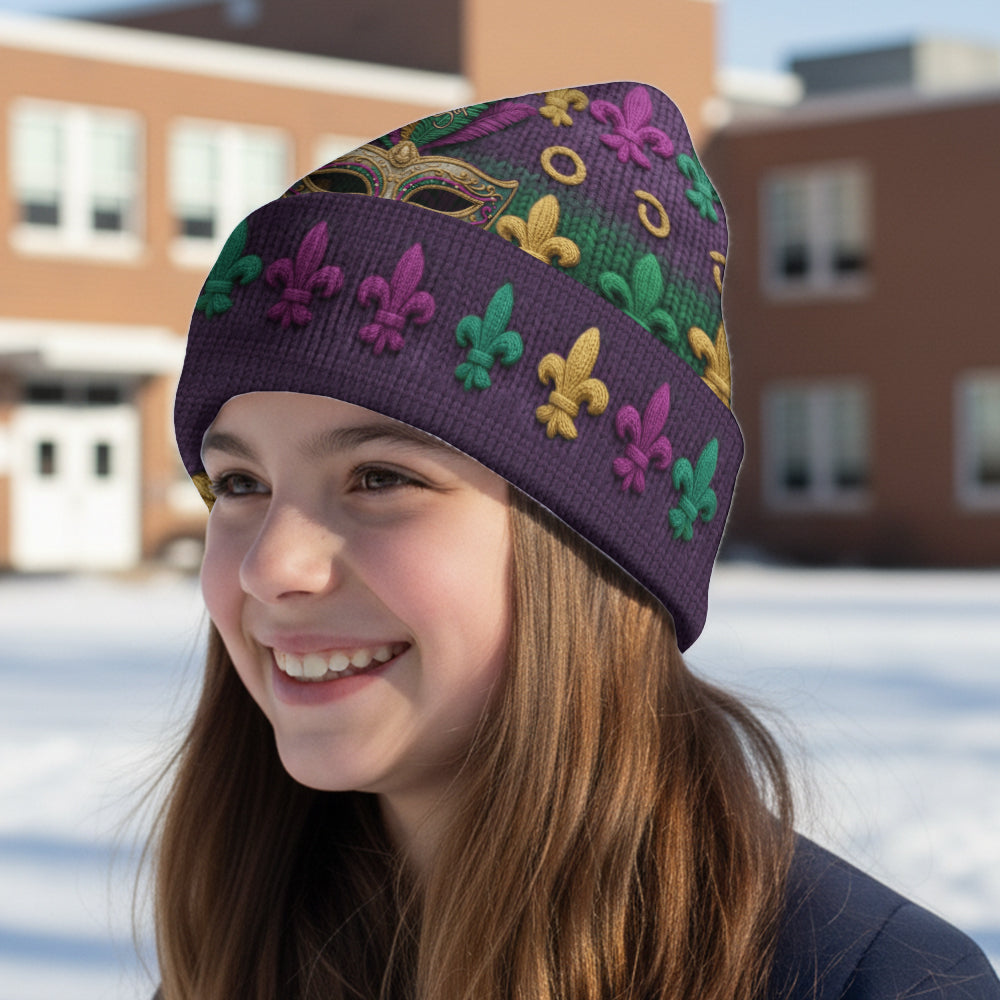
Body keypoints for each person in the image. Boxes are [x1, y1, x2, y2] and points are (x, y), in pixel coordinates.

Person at [159, 81, 999, 999]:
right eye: (239, 484)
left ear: (593, 546)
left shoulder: (877, 985)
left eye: (381, 478)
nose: (271, 566)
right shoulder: (239, 952)